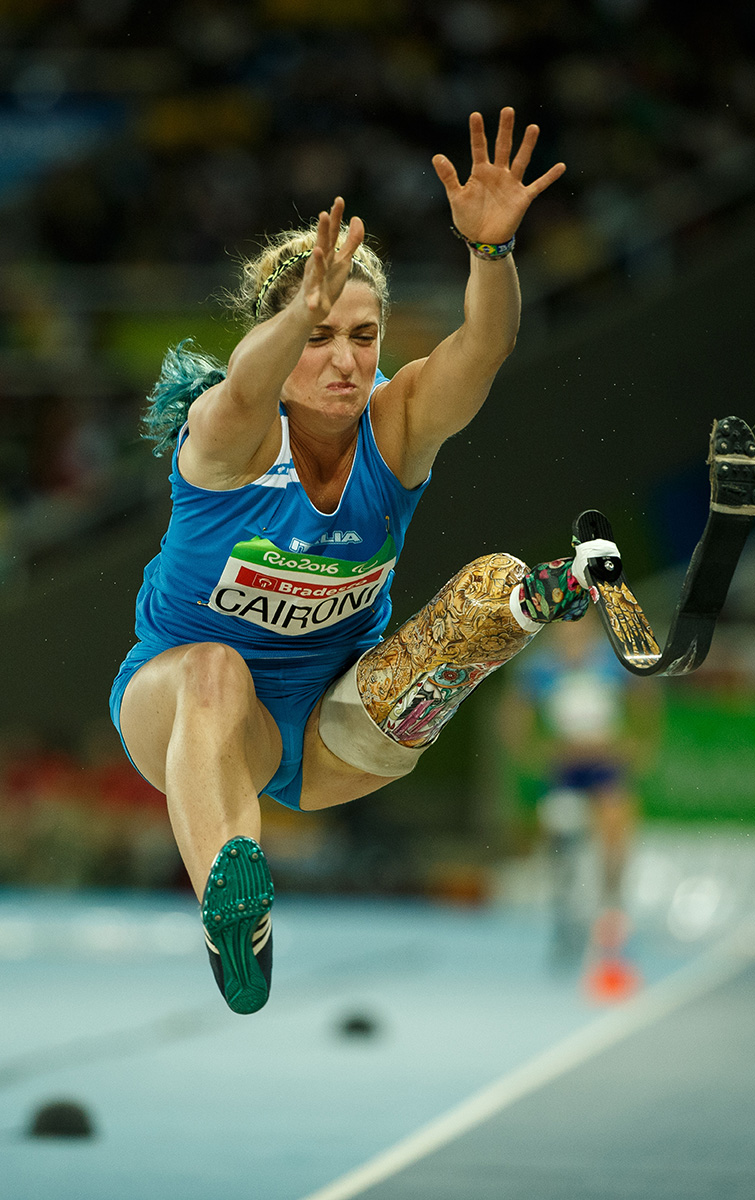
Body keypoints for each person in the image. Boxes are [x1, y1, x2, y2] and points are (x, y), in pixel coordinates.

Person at [110, 107, 599, 1015]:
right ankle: (236, 915)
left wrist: (489, 255)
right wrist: (299, 309)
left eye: (362, 337)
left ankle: (528, 609)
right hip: (191, 714)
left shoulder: (397, 424)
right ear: (283, 335)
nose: (343, 360)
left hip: (337, 726)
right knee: (218, 670)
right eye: (319, 335)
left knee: (482, 597)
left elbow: (483, 347)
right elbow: (251, 381)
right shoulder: (229, 435)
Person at [501, 612, 652, 993]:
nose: (571, 636)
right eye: (564, 630)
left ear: (587, 630)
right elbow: (514, 711)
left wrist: (639, 743)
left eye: (577, 629)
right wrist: (528, 752)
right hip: (565, 769)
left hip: (605, 765)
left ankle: (612, 916)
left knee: (616, 839)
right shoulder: (540, 667)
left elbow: (645, 697)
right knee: (561, 846)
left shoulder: (608, 659)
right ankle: (566, 920)